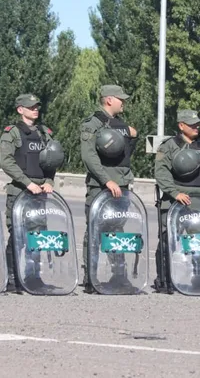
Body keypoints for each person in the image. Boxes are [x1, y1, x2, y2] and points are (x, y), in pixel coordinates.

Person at [153, 109, 200, 293]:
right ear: (181, 126)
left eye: (198, 124)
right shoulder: (168, 146)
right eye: (192, 124)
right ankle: (164, 279)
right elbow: (161, 172)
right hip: (175, 199)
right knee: (168, 239)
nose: (196, 127)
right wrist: (175, 193)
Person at [80, 85, 139, 293]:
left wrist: (134, 135)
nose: (123, 102)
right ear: (108, 100)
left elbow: (126, 153)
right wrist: (107, 181)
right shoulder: (92, 124)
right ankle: (90, 279)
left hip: (121, 184)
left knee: (117, 231)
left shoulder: (121, 125)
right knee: (95, 231)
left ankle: (119, 277)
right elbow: (89, 157)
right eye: (120, 99)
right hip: (101, 186)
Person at [0, 93, 56, 293]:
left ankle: (34, 277)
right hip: (20, 192)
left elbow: (52, 158)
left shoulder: (44, 132)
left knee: (37, 237)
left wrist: (49, 181)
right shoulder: (12, 133)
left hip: (40, 193)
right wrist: (27, 182)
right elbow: (6, 161)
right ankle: (12, 279)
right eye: (31, 107)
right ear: (20, 109)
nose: (35, 109)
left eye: (37, 107)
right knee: (17, 236)